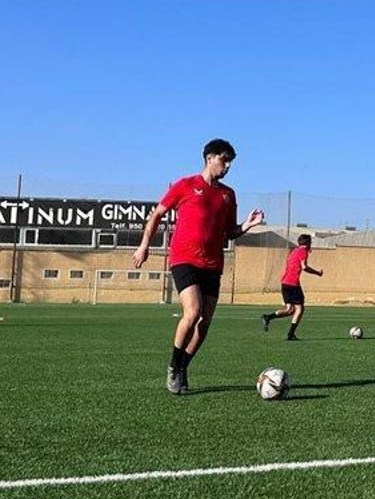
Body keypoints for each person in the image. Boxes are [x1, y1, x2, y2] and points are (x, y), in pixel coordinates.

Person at [134, 139, 265, 394]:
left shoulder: (228, 194)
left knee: (204, 323)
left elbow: (229, 232)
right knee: (192, 313)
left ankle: (183, 367)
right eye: (224, 160)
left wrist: (247, 225)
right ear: (209, 158)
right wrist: (144, 245)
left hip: (213, 264)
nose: (227, 166)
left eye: (231, 162)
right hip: (184, 259)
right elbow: (157, 214)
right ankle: (173, 366)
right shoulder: (185, 185)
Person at [263, 234, 322, 341]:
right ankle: (291, 334)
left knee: (289, 310)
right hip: (293, 283)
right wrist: (317, 273)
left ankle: (268, 317)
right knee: (300, 308)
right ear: (308, 243)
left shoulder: (294, 251)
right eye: (310, 243)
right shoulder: (303, 252)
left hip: (285, 283)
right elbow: (304, 267)